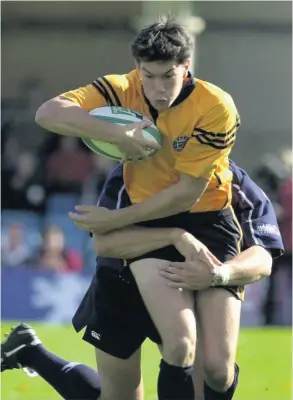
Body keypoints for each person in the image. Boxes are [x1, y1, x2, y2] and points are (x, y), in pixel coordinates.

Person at [35, 16, 242, 400]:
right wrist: (114, 131)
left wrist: (116, 220)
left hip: (209, 221)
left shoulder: (215, 106)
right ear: (137, 69)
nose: (158, 89)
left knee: (216, 369)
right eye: (149, 76)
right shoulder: (121, 89)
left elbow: (186, 195)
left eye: (168, 76)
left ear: (186, 67)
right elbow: (47, 113)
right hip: (149, 223)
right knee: (179, 346)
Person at [1, 160, 284, 400]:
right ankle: (30, 352)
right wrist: (175, 237)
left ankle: (28, 350)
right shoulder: (130, 172)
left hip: (188, 283)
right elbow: (105, 244)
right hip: (121, 279)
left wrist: (219, 273)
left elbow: (263, 256)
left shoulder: (234, 182)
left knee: (211, 373)